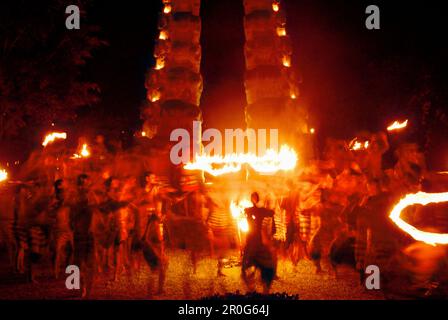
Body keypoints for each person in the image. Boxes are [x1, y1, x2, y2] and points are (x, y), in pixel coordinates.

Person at [242, 192, 276, 294]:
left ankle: (265, 290)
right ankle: (253, 289)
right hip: (252, 241)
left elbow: (271, 215)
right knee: (248, 267)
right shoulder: (250, 211)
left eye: (255, 197)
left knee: (266, 267)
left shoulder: (261, 211)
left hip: (260, 243)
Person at [70, 174, 94, 298]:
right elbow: (72, 213)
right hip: (79, 232)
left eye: (86, 182)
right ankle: (78, 286)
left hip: (90, 232)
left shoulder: (92, 195)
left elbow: (96, 211)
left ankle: (86, 288)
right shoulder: (75, 196)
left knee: (89, 262)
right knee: (78, 260)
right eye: (81, 183)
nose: (84, 185)